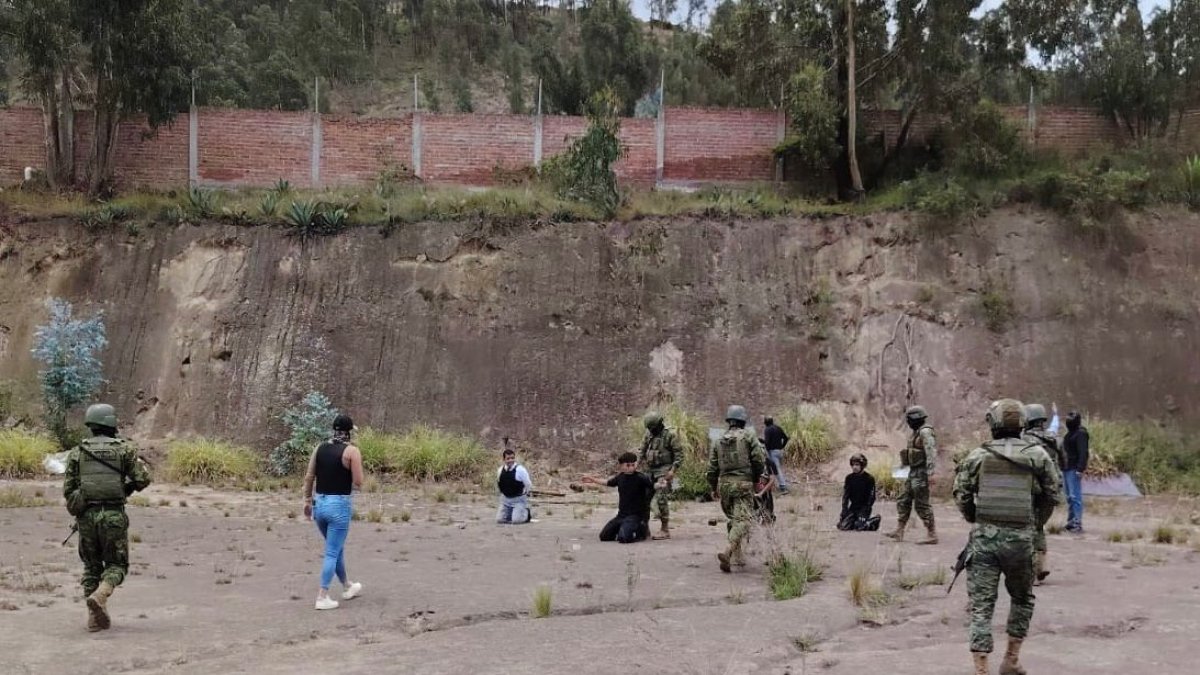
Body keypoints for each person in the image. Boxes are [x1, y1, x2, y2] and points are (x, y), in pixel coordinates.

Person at [953, 399, 1061, 675]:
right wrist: (1036, 523)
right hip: (1021, 541)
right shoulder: (1037, 455)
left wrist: (974, 517)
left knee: (981, 607)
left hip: (985, 540)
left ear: (994, 423)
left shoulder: (978, 455)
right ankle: (1011, 660)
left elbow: (961, 494)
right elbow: (1052, 493)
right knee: (1022, 599)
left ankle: (982, 670)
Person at [62, 403, 151, 632]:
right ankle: (101, 595)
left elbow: (69, 490)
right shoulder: (124, 450)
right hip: (113, 516)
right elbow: (142, 479)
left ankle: (93, 619)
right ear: (111, 422)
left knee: (91, 567)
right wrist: (125, 489)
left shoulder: (77, 452)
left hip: (87, 518)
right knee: (116, 564)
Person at [302, 414, 364, 610]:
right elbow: (358, 482)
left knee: (335, 548)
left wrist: (307, 500)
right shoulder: (351, 451)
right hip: (339, 506)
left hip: (319, 504)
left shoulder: (320, 448)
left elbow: (309, 476)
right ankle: (322, 596)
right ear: (348, 432)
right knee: (331, 552)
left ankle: (347, 586)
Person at [707, 405, 767, 573]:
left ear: (729, 421)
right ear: (743, 420)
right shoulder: (748, 435)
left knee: (734, 518)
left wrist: (713, 487)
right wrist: (756, 480)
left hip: (725, 485)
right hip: (743, 484)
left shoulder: (718, 439)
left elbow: (711, 468)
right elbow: (758, 459)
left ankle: (737, 554)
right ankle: (728, 550)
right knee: (743, 520)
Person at [1022, 403, 1065, 583]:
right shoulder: (1053, 439)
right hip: (1052, 491)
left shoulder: (1026, 441)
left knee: (1030, 528)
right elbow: (1063, 462)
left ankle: (1032, 572)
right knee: (1038, 526)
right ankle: (1042, 565)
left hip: (1034, 491)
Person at [885, 405, 938, 544]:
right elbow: (909, 455)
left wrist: (931, 473)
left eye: (909, 419)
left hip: (921, 473)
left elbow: (931, 452)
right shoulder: (915, 433)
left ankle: (932, 534)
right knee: (903, 499)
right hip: (911, 471)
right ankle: (899, 531)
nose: (907, 422)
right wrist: (901, 473)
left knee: (921, 504)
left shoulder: (925, 432)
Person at [581, 452, 655, 544]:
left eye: (633, 464)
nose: (630, 467)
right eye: (626, 465)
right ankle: (623, 528)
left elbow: (653, 486)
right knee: (604, 536)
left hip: (635, 516)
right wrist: (592, 479)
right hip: (621, 515)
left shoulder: (641, 477)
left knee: (624, 538)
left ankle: (640, 530)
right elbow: (608, 482)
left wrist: (661, 484)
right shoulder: (621, 477)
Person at [637, 412, 683, 539]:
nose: (652, 430)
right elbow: (642, 450)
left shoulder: (670, 436)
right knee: (644, 498)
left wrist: (673, 470)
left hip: (664, 471)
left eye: (653, 428)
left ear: (659, 425)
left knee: (661, 498)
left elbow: (679, 455)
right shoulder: (648, 435)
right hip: (649, 471)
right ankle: (644, 528)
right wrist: (637, 464)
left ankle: (665, 529)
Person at [1062, 411, 1090, 533]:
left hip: (1074, 468)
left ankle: (1077, 522)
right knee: (1069, 497)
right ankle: (1071, 521)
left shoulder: (1081, 434)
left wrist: (1080, 468)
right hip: (1067, 468)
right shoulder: (1070, 434)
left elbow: (1083, 453)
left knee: (1075, 496)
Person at [838, 453, 880, 531]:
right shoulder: (849, 478)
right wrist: (844, 510)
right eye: (853, 465)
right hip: (853, 507)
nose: (854, 467)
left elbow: (872, 497)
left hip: (864, 508)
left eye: (857, 465)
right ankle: (856, 521)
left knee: (859, 527)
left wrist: (865, 510)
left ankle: (874, 520)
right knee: (843, 526)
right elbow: (845, 496)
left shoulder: (869, 478)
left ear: (862, 465)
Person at [496, 444, 533, 524]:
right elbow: (500, 484)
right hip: (506, 500)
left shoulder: (520, 470)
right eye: (508, 458)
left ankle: (526, 513)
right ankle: (513, 512)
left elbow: (528, 484)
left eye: (512, 458)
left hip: (518, 500)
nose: (510, 460)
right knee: (500, 520)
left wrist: (524, 494)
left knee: (516, 521)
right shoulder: (500, 471)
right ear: (504, 459)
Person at [762, 416, 790, 494]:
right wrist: (782, 446)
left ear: (765, 422)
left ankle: (783, 487)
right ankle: (783, 484)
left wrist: (766, 451)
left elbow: (767, 442)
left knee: (776, 470)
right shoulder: (778, 428)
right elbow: (786, 438)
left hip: (772, 452)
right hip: (780, 451)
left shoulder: (767, 429)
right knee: (779, 469)